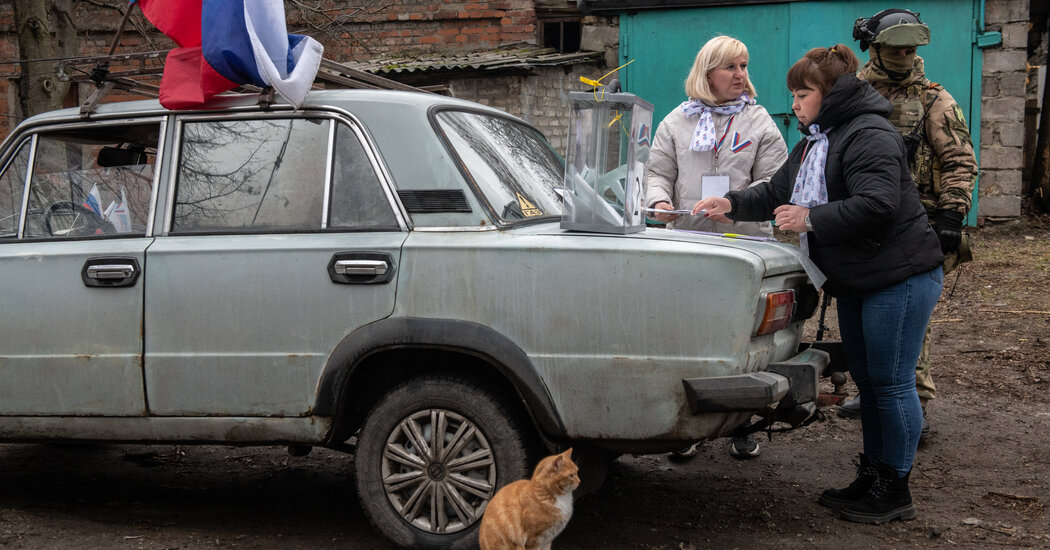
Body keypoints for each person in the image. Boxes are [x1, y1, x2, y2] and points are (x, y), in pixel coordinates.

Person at [694, 45, 943, 523]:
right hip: (859, 278)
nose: (795, 103)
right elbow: (776, 191)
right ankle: (873, 476)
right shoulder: (817, 140)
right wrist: (729, 203)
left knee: (891, 385)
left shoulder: (869, 133)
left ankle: (895, 488)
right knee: (871, 386)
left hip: (899, 276)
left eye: (802, 93)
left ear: (829, 94)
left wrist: (811, 217)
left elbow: (878, 204)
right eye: (793, 94)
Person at [835, 9, 978, 441]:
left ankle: (912, 398)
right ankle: (873, 392)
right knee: (863, 309)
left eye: (909, 49)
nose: (902, 56)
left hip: (916, 225)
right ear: (874, 48)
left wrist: (952, 214)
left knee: (908, 319)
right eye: (894, 48)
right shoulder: (851, 93)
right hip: (861, 221)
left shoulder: (935, 100)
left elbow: (959, 160)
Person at [644, 35, 788, 460]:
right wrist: (659, 203)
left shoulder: (759, 122)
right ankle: (686, 428)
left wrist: (737, 206)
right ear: (707, 73)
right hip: (687, 245)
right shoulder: (676, 122)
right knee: (686, 335)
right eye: (731, 67)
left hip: (744, 247)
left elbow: (774, 183)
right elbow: (657, 174)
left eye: (744, 67)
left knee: (741, 337)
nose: (741, 76)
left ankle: (742, 423)